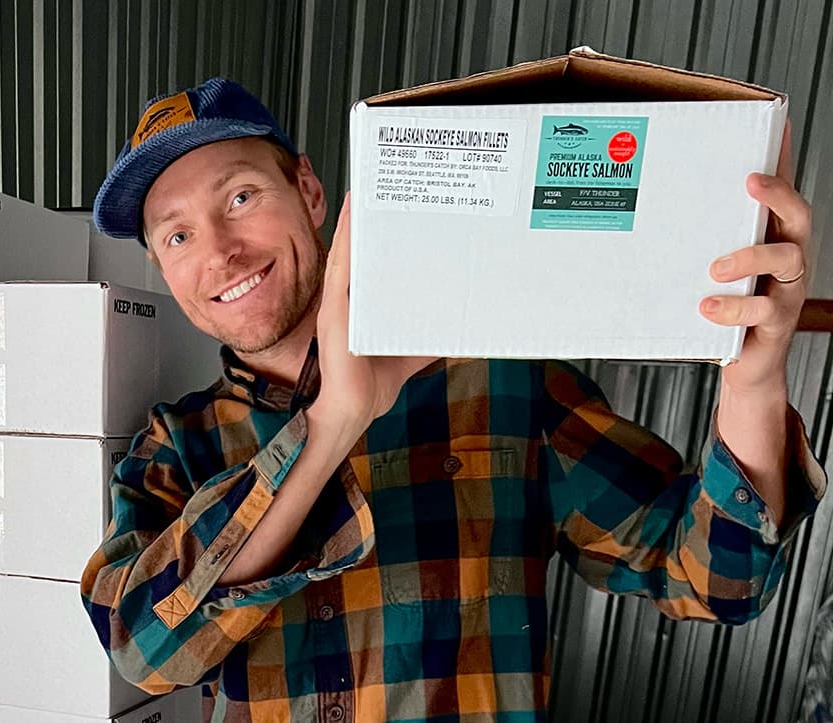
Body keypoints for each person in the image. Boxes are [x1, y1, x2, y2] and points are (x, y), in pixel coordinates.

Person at [80, 77, 826, 722]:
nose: (217, 250)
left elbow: (720, 578)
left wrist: (753, 381)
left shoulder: (497, 384)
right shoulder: (174, 447)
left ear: (308, 191)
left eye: (240, 196)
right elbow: (145, 650)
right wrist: (332, 425)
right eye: (176, 237)